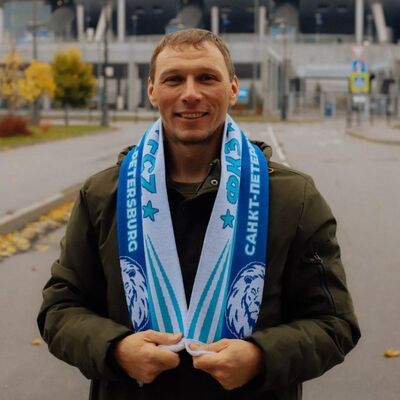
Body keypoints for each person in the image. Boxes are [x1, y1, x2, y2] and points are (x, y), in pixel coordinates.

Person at [38, 28, 360, 400]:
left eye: (207, 77)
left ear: (233, 88)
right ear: (152, 91)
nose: (190, 93)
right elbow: (59, 309)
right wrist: (115, 350)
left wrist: (261, 358)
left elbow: (335, 323)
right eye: (173, 79)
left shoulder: (294, 197)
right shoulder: (102, 195)